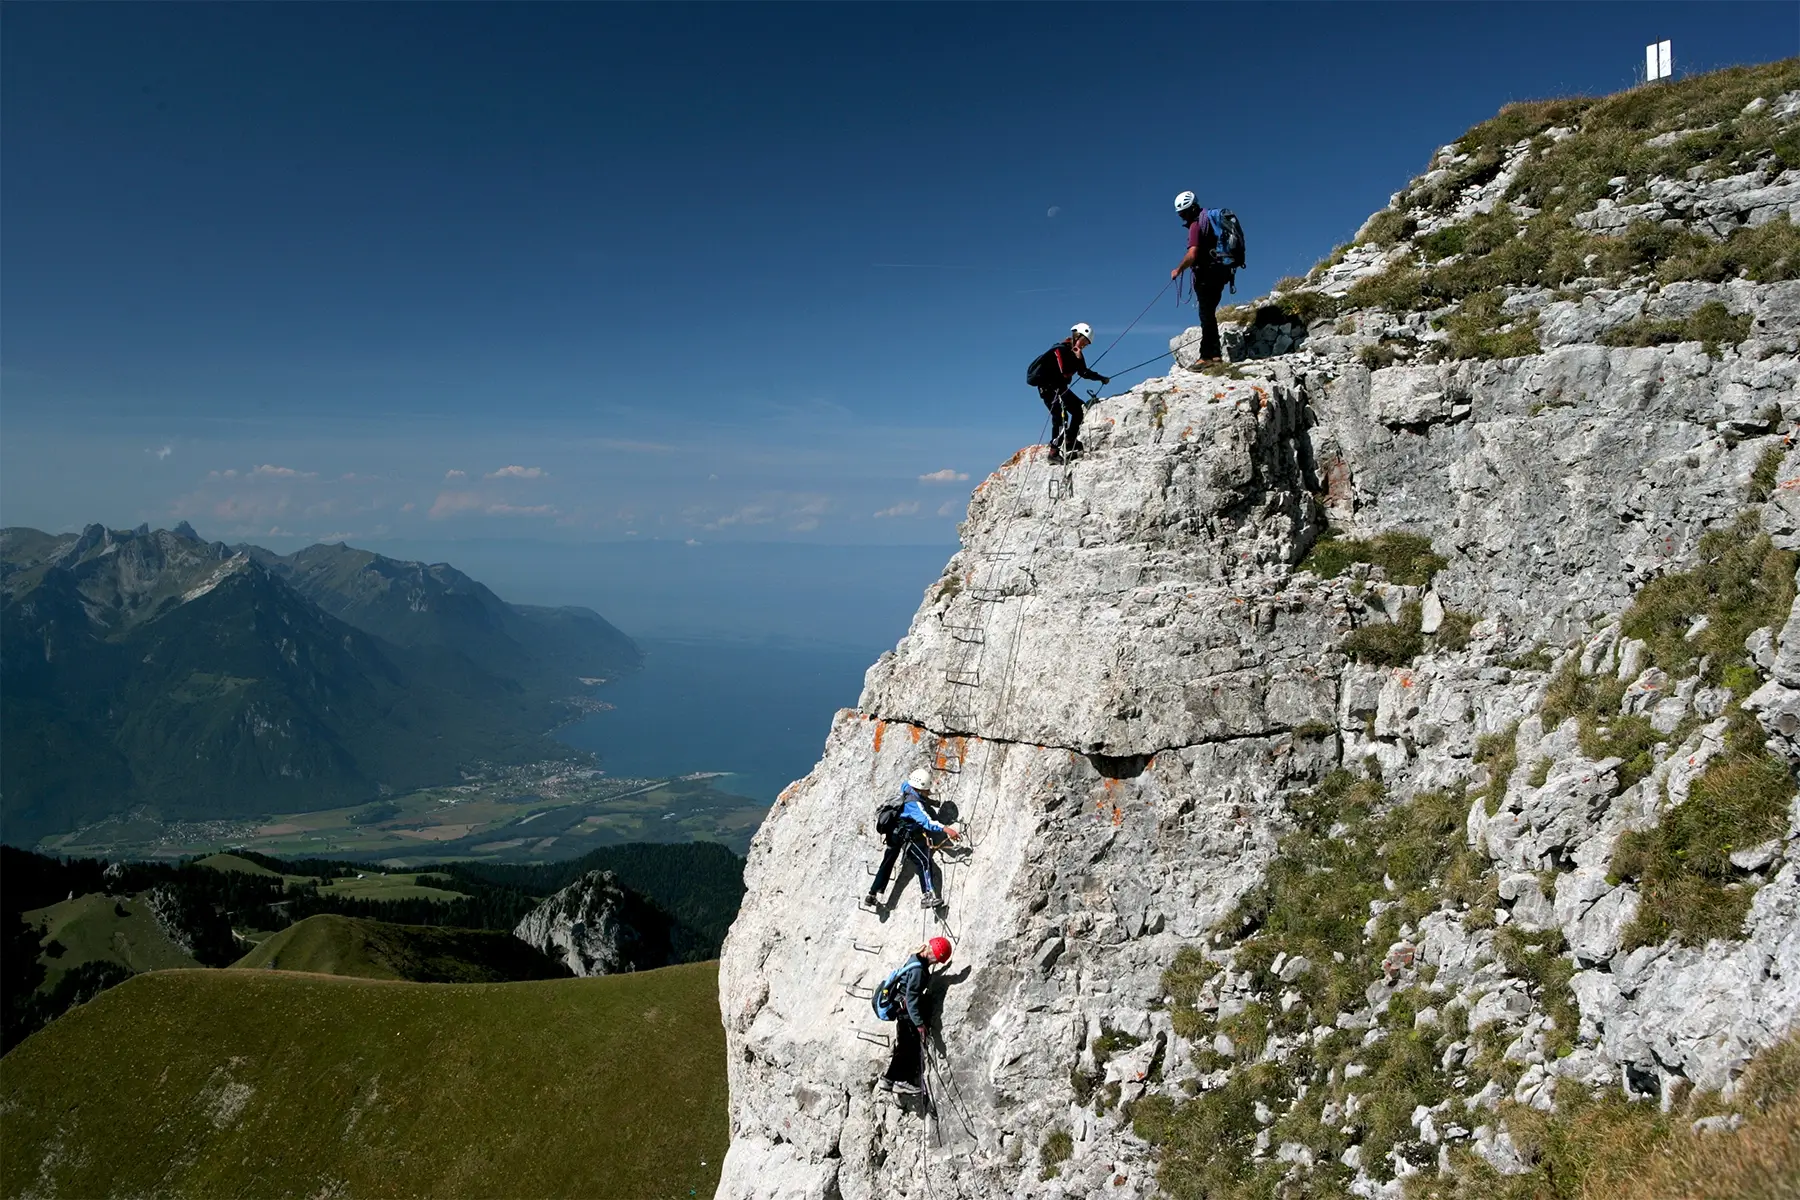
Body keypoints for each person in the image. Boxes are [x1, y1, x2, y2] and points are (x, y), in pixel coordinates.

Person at [867, 767, 960, 910]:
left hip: (893, 832)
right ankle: (927, 897)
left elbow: (917, 798)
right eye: (926, 790)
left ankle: (872, 894)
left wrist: (929, 802)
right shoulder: (914, 805)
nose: (928, 792)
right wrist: (946, 828)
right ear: (920, 788)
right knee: (923, 861)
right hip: (905, 835)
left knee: (887, 862)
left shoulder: (907, 786)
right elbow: (927, 822)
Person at [873, 936, 953, 1095]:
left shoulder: (915, 958)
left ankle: (888, 1080)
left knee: (903, 1046)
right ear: (931, 954)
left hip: (901, 1010)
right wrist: (919, 1024)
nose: (935, 963)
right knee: (908, 1047)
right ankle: (901, 1081)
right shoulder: (918, 971)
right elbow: (911, 999)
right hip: (907, 1013)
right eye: (936, 960)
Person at [1030, 324, 1109, 463]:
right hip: (1048, 389)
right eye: (1084, 341)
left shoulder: (1076, 353)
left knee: (1079, 409)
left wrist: (1100, 378)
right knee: (1061, 418)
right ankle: (1053, 452)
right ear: (1076, 336)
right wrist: (1077, 358)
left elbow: (1083, 372)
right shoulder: (1059, 350)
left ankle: (1070, 440)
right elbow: (1064, 371)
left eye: (1087, 343)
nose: (1084, 345)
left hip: (1059, 388)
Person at [1171, 191, 1232, 365]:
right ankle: (1215, 355)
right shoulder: (1209, 223)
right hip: (1221, 272)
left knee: (1206, 315)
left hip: (1207, 275)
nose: (1182, 217)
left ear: (1190, 210)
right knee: (1209, 314)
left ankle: (1207, 356)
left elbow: (1193, 253)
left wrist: (1178, 269)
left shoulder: (1196, 226)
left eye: (1183, 213)